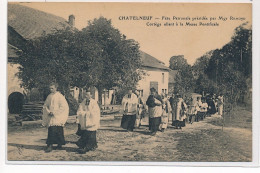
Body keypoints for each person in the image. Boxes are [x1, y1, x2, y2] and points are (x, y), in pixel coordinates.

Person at [42, 82, 69, 153]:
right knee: (51, 130)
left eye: (52, 88)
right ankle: (50, 145)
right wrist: (48, 112)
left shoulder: (60, 96)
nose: (51, 90)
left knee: (59, 130)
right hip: (51, 116)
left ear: (56, 88)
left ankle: (59, 144)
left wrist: (55, 112)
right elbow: (45, 106)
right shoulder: (49, 96)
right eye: (50, 88)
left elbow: (63, 107)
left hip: (58, 116)